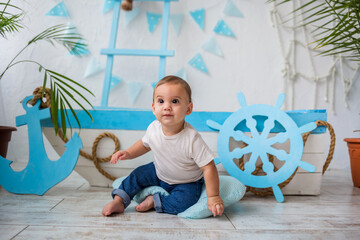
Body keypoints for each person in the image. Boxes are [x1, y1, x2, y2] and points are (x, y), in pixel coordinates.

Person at [102, 75, 224, 217]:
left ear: (188, 108)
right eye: (161, 101)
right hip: (159, 172)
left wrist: (213, 196)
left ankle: (155, 201)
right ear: (154, 108)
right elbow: (144, 145)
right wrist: (128, 153)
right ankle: (119, 200)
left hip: (186, 182)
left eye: (175, 101)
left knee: (185, 201)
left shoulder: (192, 138)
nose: (167, 107)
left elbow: (208, 167)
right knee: (137, 175)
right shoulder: (153, 128)